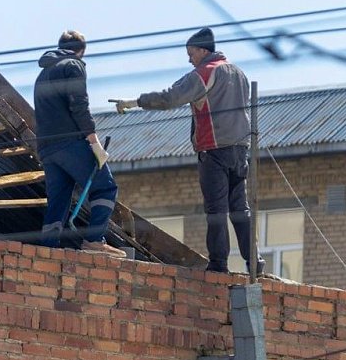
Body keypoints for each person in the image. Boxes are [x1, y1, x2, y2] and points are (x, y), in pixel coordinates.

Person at [111, 27, 265, 274]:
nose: (189, 59)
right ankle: (254, 261)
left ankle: (218, 265)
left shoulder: (204, 73)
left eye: (191, 53)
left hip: (214, 151)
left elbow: (170, 98)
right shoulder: (239, 73)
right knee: (240, 209)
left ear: (203, 51)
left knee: (216, 210)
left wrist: (135, 102)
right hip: (240, 150)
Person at [34, 30, 126, 258]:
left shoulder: (43, 73)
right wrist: (95, 144)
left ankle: (48, 247)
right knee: (105, 185)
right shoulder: (73, 65)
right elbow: (79, 106)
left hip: (47, 148)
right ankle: (95, 240)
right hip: (69, 142)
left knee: (59, 199)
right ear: (81, 51)